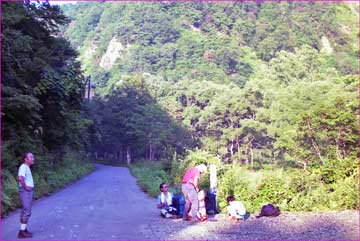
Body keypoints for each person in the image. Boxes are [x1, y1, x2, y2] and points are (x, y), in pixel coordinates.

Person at [18, 152, 35, 238]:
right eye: (31, 157)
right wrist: (26, 187)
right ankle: (22, 232)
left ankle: (23, 230)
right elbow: (20, 178)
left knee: (25, 211)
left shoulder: (26, 167)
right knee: (27, 211)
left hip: (27, 192)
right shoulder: (23, 167)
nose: (33, 159)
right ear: (26, 159)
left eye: (33, 157)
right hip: (25, 192)